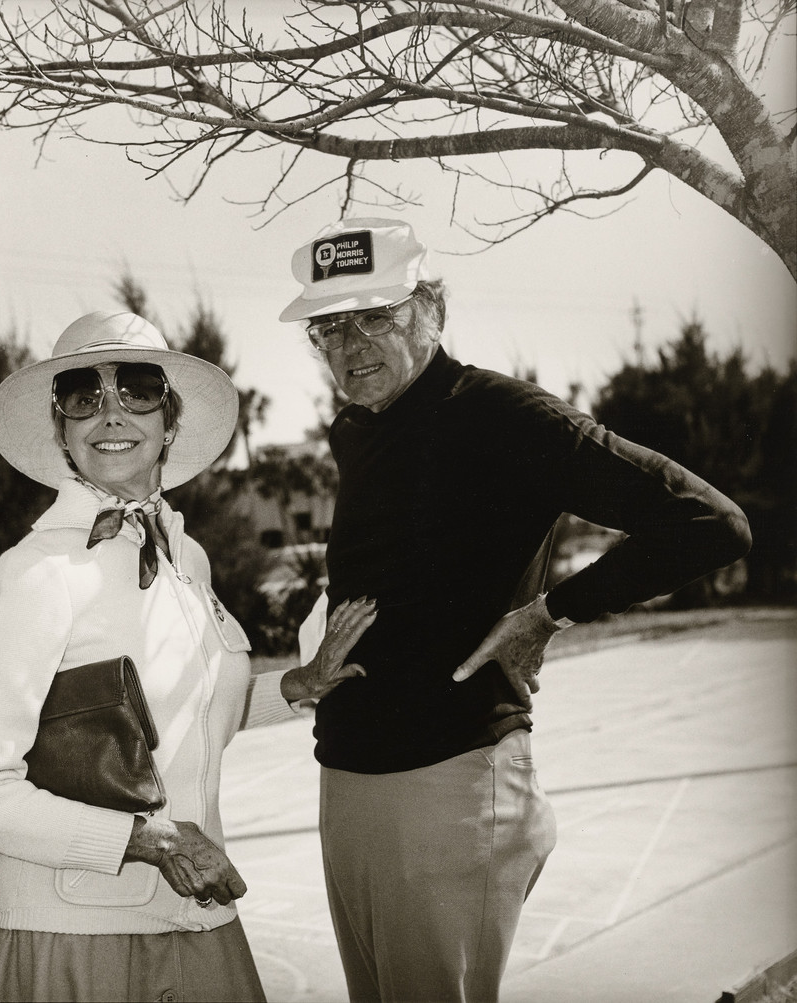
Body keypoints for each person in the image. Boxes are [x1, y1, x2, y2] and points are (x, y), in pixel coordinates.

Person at [275, 219, 752, 1003]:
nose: (350, 343)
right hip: (348, 774)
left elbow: (710, 523)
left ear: (431, 311)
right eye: (329, 326)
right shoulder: (355, 430)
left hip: (448, 777)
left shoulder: (504, 416)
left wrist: (551, 610)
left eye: (375, 316)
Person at [0, 311, 377, 1003]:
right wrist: (151, 840)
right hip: (78, 938)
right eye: (83, 395)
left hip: (196, 914)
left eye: (137, 390)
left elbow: (182, 715)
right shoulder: (35, 572)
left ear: (169, 420)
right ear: (61, 429)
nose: (110, 414)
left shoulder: (183, 556)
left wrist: (295, 684)